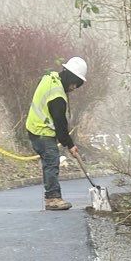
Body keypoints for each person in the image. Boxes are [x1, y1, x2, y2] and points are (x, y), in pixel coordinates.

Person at [25, 57, 87, 211]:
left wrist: (67, 142)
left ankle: (52, 196)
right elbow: (60, 124)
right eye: (74, 84)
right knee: (52, 162)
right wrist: (70, 145)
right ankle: (52, 198)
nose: (74, 88)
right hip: (42, 131)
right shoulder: (58, 96)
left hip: (34, 127)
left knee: (49, 162)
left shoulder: (50, 77)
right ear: (70, 78)